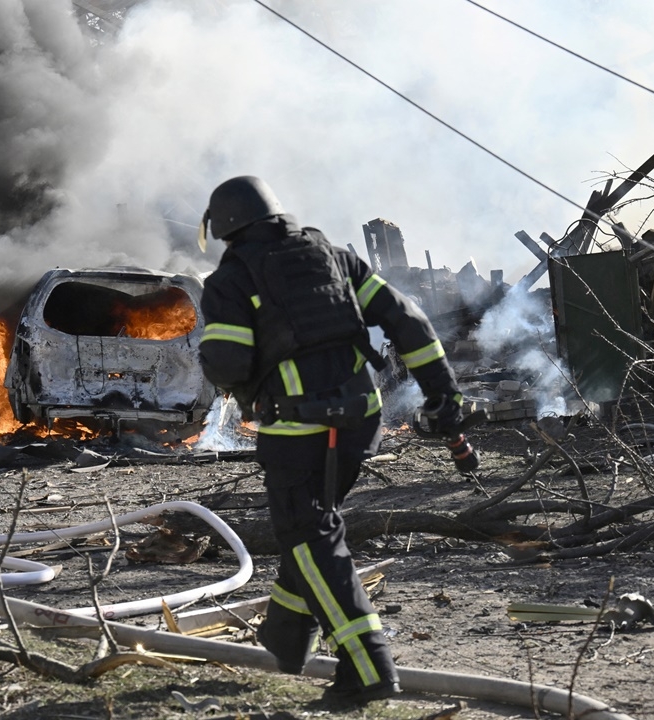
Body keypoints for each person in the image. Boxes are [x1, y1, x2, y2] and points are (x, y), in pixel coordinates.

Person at [197, 176, 464, 704]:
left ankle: (369, 666)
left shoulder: (230, 278)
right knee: (312, 530)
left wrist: (232, 379)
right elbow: (406, 320)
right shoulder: (332, 255)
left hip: (297, 428)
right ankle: (288, 639)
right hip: (362, 419)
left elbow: (226, 361)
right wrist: (443, 395)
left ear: (226, 228)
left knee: (311, 535)